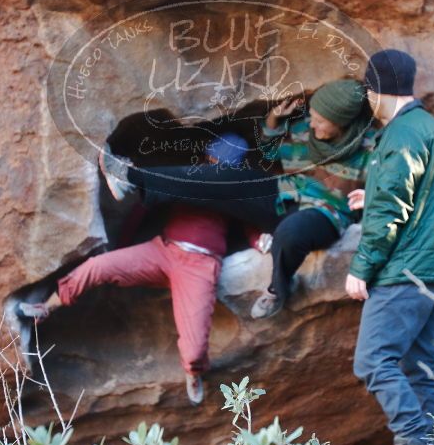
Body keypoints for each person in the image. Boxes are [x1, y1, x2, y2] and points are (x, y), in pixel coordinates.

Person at [19, 134, 266, 406]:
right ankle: (46, 307)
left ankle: (194, 372)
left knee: (195, 349)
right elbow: (143, 208)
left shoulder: (236, 191)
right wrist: (123, 246)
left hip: (200, 266)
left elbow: (251, 222)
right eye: (213, 158)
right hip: (162, 251)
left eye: (221, 163)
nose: (214, 164)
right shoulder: (189, 177)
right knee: (96, 266)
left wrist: (261, 240)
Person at [99, 79, 376, 319]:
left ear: (342, 123)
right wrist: (273, 120)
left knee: (292, 232)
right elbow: (270, 153)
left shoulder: (371, 148)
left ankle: (277, 291)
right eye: (313, 114)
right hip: (284, 193)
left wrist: (372, 197)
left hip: (325, 214)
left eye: (320, 119)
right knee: (222, 177)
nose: (312, 122)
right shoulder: (305, 129)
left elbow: (394, 189)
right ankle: (131, 178)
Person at [345, 49, 434, 445]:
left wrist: (361, 268)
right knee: (421, 363)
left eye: (367, 90)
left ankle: (418, 444)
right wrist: (375, 189)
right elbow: (418, 193)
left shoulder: (401, 134)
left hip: (407, 268)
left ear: (374, 89)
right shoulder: (427, 128)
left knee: (372, 360)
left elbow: (390, 210)